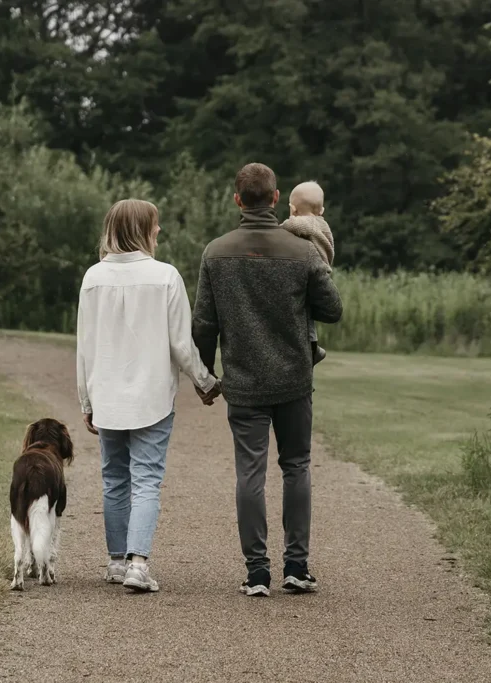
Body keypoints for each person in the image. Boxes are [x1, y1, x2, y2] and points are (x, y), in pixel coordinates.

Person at [192, 163, 343, 597]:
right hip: (294, 379)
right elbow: (331, 310)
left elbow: (204, 324)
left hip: (243, 382)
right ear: (276, 199)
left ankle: (257, 571)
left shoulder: (215, 252)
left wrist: (207, 375)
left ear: (238, 200)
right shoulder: (301, 251)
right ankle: (297, 565)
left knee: (250, 473)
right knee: (296, 467)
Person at [77, 198, 222, 593]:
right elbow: (181, 343)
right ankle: (138, 563)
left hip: (106, 393)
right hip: (152, 396)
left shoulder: (92, 278)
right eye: (155, 225)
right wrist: (205, 381)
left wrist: (85, 399)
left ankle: (116, 561)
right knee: (146, 480)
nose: (159, 232)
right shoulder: (166, 276)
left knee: (114, 479)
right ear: (141, 229)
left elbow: (84, 346)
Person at [280, 180, 334, 366]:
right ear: (322, 211)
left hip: (307, 273)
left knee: (303, 313)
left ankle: (313, 349)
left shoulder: (300, 224)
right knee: (308, 315)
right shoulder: (323, 225)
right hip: (321, 274)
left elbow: (286, 229)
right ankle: (314, 347)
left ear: (292, 209)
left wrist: (278, 228)